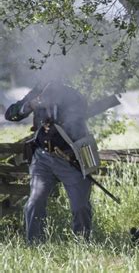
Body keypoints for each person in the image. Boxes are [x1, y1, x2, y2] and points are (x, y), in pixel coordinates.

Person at [5, 81, 93, 242]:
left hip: (70, 157)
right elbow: (11, 114)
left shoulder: (73, 96)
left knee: (80, 205)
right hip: (42, 157)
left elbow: (79, 123)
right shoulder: (36, 93)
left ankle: (83, 243)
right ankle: (34, 243)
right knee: (35, 201)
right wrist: (30, 104)